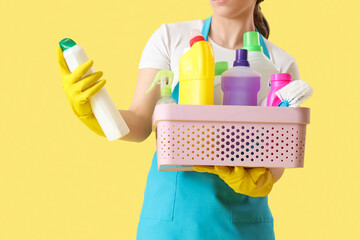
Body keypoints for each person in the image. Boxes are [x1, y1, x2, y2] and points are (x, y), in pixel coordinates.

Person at [57, 0, 300, 239]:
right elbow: (140, 122)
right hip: (171, 224)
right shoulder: (171, 38)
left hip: (243, 228)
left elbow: (277, 160)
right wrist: (93, 110)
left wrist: (259, 179)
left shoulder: (280, 64)